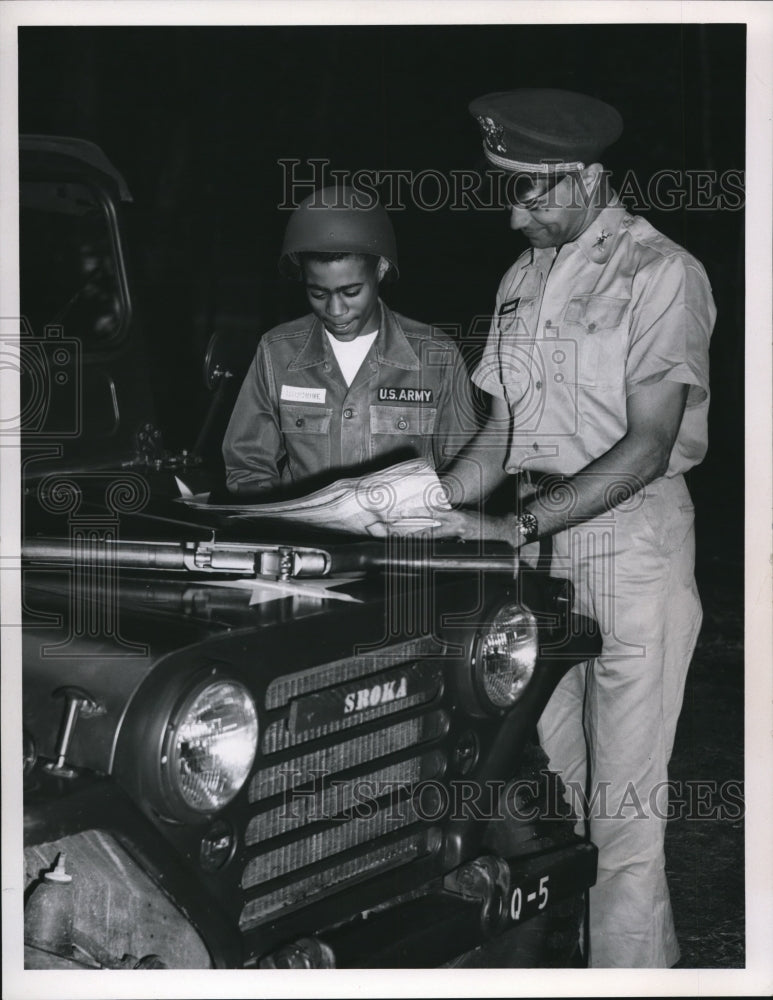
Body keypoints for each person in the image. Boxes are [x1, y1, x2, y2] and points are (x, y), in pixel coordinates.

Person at [434, 88, 715, 967]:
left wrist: (513, 524)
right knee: (554, 785)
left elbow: (647, 445)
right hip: (540, 552)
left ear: (589, 177)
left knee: (623, 812)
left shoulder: (660, 272)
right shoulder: (522, 277)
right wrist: (428, 511)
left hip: (631, 546)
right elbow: (503, 430)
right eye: (505, 189)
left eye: (532, 191)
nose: (514, 214)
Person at [223, 187, 475, 496]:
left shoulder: (436, 356)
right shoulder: (276, 352)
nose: (335, 310)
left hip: (402, 541)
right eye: (318, 293)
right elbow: (248, 467)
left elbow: (469, 475)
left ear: (380, 270)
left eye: (351, 292)